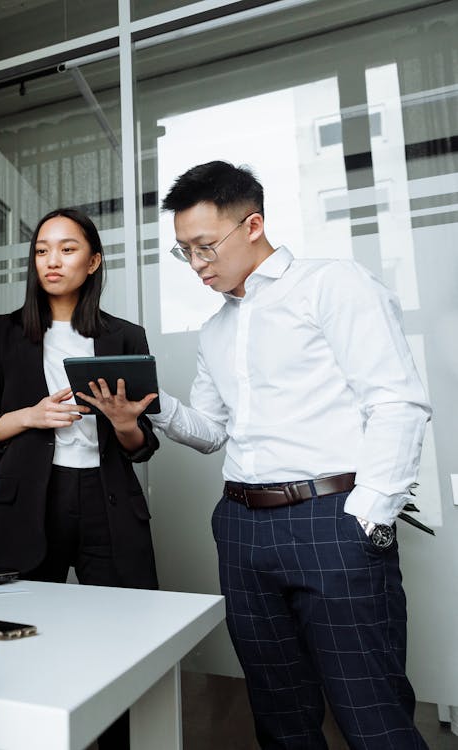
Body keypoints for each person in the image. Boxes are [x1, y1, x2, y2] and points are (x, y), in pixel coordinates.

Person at [152, 160, 431, 749]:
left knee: (371, 712)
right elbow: (210, 432)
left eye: (205, 247)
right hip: (241, 528)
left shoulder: (333, 285)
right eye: (185, 252)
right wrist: (150, 408)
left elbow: (397, 402)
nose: (198, 266)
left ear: (252, 225)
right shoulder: (214, 329)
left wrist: (369, 519)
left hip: (332, 520)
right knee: (279, 714)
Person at [0, 207, 160, 750]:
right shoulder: (4, 334)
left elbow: (143, 445)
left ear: (93, 262)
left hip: (107, 502)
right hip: (29, 504)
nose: (52, 260)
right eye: (43, 249)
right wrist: (29, 416)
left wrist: (124, 425)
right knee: (18, 639)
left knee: (121, 642)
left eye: (68, 249)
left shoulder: (124, 336)